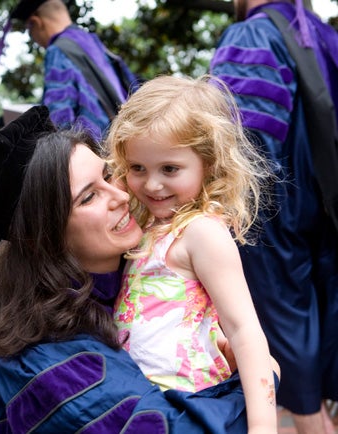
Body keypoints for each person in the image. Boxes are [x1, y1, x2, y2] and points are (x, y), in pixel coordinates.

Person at [0, 105, 267, 433]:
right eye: (89, 197)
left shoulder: (122, 278)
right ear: (46, 233)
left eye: (108, 175)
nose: (121, 195)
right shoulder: (45, 357)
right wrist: (264, 377)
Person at [107, 74, 278, 432]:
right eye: (138, 168)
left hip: (187, 404)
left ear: (209, 164)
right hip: (144, 403)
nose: (152, 184)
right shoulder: (148, 228)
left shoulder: (201, 232)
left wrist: (263, 427)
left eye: (170, 169)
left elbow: (244, 329)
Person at [209, 1, 338, 432]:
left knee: (285, 331)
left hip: (274, 214)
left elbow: (239, 141)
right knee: (319, 325)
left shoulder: (253, 34)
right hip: (325, 208)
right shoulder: (319, 34)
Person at [1, 0, 138, 141]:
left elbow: (59, 118)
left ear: (36, 22)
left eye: (30, 32)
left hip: (95, 148)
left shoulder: (58, 50)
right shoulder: (94, 43)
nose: (34, 39)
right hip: (124, 141)